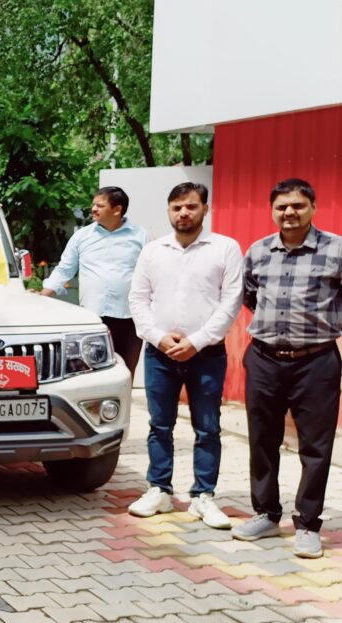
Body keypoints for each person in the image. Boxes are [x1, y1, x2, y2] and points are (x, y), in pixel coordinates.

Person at [233, 178, 342, 559]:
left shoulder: (336, 250)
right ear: (273, 211)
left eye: (297, 205)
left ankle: (308, 524)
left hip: (316, 361)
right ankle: (266, 513)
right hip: (264, 358)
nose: (289, 212)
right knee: (262, 439)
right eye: (281, 207)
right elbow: (250, 295)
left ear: (313, 207)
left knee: (316, 446)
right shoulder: (259, 250)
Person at [126, 183, 242, 529]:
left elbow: (231, 302)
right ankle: (159, 489)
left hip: (206, 354)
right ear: (169, 211)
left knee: (207, 427)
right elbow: (138, 299)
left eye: (191, 206)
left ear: (205, 208)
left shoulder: (225, 248)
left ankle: (203, 495)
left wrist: (197, 341)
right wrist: (159, 337)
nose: (183, 213)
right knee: (159, 425)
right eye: (177, 207)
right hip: (159, 353)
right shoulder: (153, 251)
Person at [41, 186, 149, 374]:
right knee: (90, 372)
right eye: (93, 205)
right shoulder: (82, 236)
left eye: (100, 205)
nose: (93, 209)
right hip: (92, 317)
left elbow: (151, 272)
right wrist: (43, 296)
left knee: (124, 372)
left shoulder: (140, 236)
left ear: (117, 209)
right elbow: (65, 268)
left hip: (128, 317)